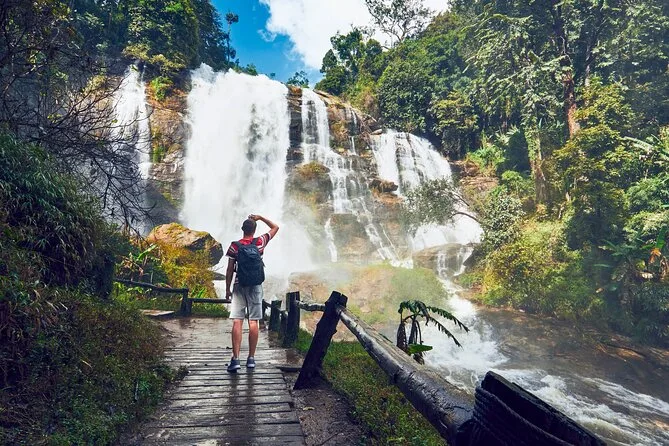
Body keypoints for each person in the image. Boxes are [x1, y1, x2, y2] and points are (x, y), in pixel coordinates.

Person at [225, 214, 279, 372]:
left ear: (242, 229)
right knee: (253, 321)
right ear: (254, 230)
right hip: (255, 285)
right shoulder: (260, 242)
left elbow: (229, 270)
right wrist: (260, 218)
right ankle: (251, 359)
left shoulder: (234, 246)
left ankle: (235, 359)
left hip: (239, 285)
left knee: (237, 321)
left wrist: (228, 289)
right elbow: (275, 227)